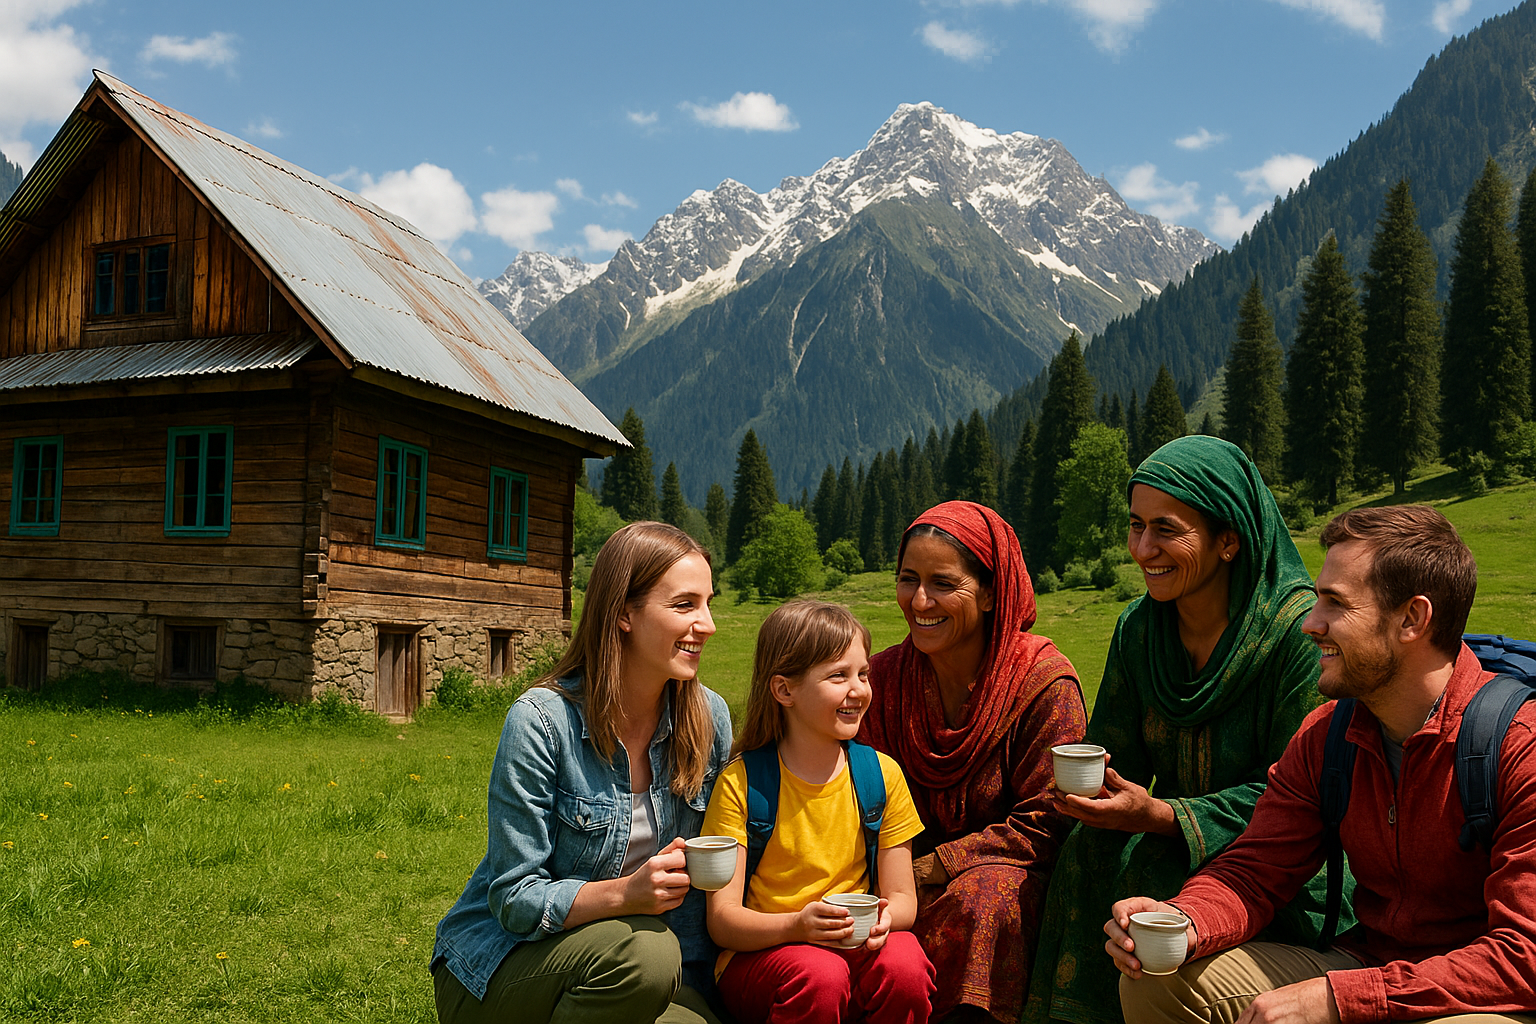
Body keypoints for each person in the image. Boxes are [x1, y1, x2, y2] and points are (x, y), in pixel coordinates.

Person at [1109, 505, 1536, 1024]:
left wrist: (1340, 1000)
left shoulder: (1520, 747)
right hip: (1366, 962)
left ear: (1412, 619)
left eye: (1335, 604)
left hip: (1479, 994)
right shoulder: (1328, 735)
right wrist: (1181, 920)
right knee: (1160, 982)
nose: (1311, 624)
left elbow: (1525, 957)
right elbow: (1254, 872)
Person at [1025, 435, 1343, 1024]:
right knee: (1087, 850)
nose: (1144, 549)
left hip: (1281, 868)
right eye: (1135, 525)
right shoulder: (1140, 629)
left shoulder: (1297, 637)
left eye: (1167, 530)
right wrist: (1091, 789)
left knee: (1145, 876)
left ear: (1228, 540)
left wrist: (1163, 816)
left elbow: (1300, 799)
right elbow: (1113, 752)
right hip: (1161, 839)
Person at [430, 521, 734, 1024]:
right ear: (623, 615)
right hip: (504, 967)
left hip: (639, 973)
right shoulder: (543, 721)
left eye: (708, 603)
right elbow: (514, 897)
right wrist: (627, 894)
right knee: (648, 955)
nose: (707, 624)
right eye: (684, 605)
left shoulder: (707, 718)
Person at [859, 500, 1086, 1023]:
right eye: (907, 578)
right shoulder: (882, 680)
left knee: (983, 898)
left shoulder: (1041, 682)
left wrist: (940, 864)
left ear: (989, 591)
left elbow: (1054, 816)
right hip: (895, 878)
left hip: (1007, 884)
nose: (919, 600)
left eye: (942, 583)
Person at [701, 599, 935, 1024]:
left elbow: (903, 900)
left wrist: (884, 920)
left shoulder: (881, 776)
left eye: (863, 673)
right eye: (838, 675)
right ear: (784, 690)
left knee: (905, 965)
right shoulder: (743, 783)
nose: (858, 689)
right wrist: (797, 927)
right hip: (763, 954)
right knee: (820, 975)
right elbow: (723, 921)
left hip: (852, 946)